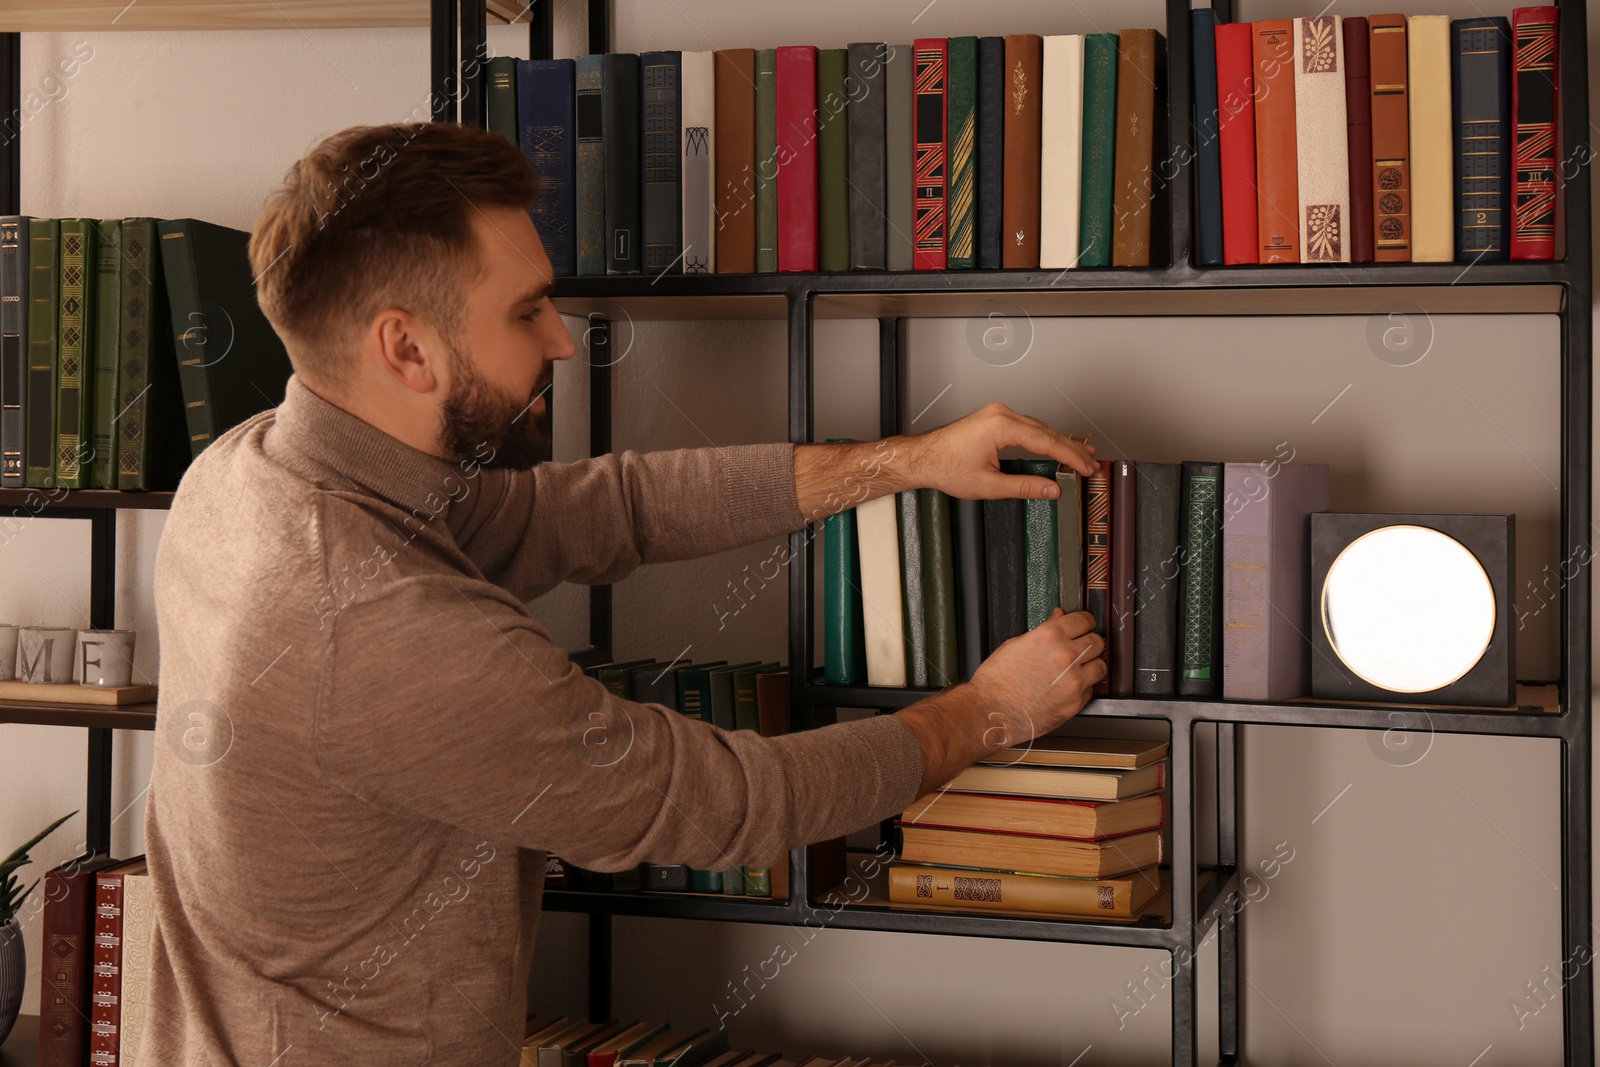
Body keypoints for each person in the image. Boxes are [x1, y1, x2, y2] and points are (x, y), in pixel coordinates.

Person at [139, 120, 1106, 1065]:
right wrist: (987, 711)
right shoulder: (382, 631)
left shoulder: (246, 473)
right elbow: (731, 805)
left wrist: (906, 461)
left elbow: (608, 510)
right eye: (526, 311)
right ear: (408, 349)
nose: (564, 340)